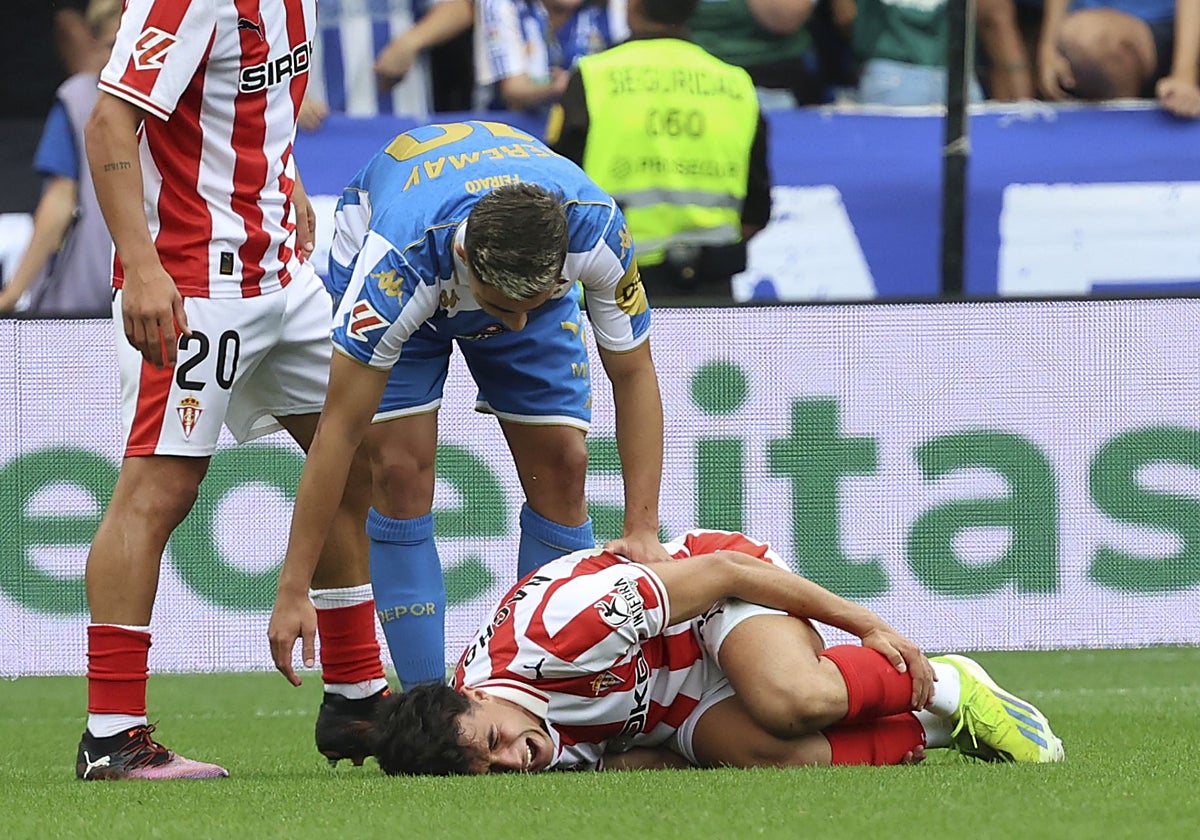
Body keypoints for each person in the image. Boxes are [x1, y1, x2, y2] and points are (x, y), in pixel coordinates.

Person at [75, 0, 388, 781]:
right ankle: (112, 737)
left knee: (351, 454)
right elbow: (109, 125)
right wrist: (143, 268)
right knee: (161, 486)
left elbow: (261, 111)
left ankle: (355, 698)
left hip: (284, 273)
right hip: (193, 284)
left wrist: (293, 194)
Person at [267, 120, 667, 701]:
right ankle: (429, 705)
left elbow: (632, 374)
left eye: (535, 303)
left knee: (563, 464)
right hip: (407, 265)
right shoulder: (395, 267)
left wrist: (642, 528)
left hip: (501, 265)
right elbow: (338, 433)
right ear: (465, 264)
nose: (515, 326)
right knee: (398, 471)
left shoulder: (596, 229)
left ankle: (534, 690)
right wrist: (294, 585)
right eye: (501, 309)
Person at [372, 529, 1067, 774]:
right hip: (673, 704)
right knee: (769, 754)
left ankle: (951, 681)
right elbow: (618, 756)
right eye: (489, 766)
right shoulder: (490, 733)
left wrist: (866, 625)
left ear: (479, 694)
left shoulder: (563, 632)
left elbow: (725, 577)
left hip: (718, 599)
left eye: (494, 739)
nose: (510, 759)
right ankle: (935, 726)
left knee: (788, 701)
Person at [546, 0, 771, 302]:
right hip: (712, 293)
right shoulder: (736, 83)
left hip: (611, 289)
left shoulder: (592, 77)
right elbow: (757, 209)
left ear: (633, 5)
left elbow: (554, 192)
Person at [0, 0, 119, 316]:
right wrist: (12, 294)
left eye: (129, 45)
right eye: (111, 46)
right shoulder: (79, 97)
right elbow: (59, 200)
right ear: (93, 45)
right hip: (90, 301)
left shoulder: (179, 101)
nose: (120, 58)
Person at [832, 0, 1034, 105]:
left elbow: (845, 17)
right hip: (956, 78)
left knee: (892, 176)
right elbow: (995, 18)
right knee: (969, 178)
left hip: (890, 75)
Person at [1039, 0, 1200, 118]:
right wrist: (1049, 48)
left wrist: (1184, 75)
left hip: (1167, 26)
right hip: (1083, 28)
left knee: (1089, 36)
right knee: (1079, 36)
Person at [475, 0, 622, 112]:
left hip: (580, 128)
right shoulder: (502, 4)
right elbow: (513, 91)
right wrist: (559, 87)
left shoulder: (610, 8)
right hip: (510, 133)